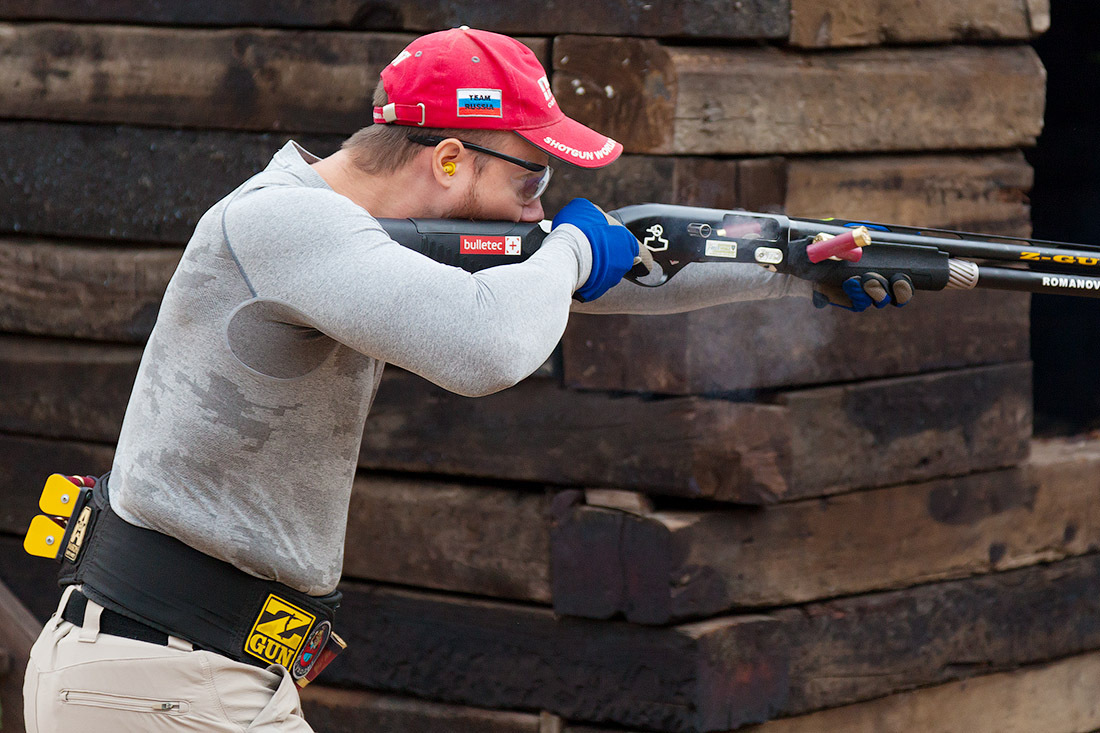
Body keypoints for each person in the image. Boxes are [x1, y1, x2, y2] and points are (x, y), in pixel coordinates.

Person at [22, 26, 910, 732]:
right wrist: (566, 249)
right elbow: (488, 346)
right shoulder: (282, 224)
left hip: (197, 674)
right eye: (533, 180)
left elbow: (633, 259)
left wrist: (802, 259)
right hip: (161, 682)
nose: (541, 208)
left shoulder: (344, 235)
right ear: (448, 160)